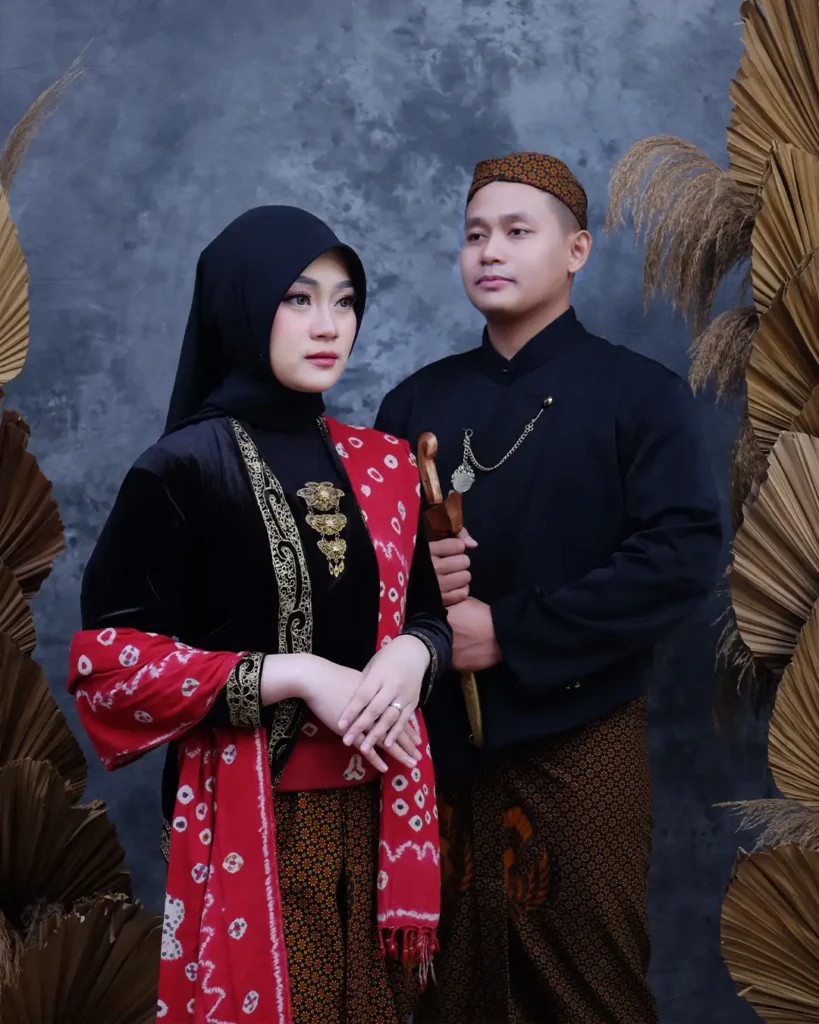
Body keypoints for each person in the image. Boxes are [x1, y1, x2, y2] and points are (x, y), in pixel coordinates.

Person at [66, 206, 451, 1024]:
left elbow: (426, 614)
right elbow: (110, 665)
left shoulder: (382, 464)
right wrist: (294, 674)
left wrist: (415, 653)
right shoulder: (182, 469)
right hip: (257, 819)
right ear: (239, 306)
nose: (329, 326)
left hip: (380, 817)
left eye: (345, 301)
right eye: (298, 299)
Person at [373, 153, 724, 1024]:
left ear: (575, 251)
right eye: (474, 235)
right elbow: (372, 583)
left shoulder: (639, 395)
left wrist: (509, 632)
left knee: (586, 991)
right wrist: (424, 594)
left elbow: (679, 557)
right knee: (443, 992)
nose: (489, 251)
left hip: (582, 735)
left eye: (516, 232)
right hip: (438, 747)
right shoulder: (412, 403)